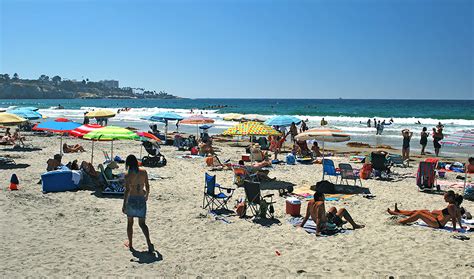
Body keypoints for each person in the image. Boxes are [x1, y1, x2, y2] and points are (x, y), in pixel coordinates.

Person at [122, 155, 154, 253]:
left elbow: (127, 190)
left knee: (130, 223)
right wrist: (147, 196)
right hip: (141, 199)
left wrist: (124, 204)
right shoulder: (143, 172)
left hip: (131, 199)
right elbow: (147, 186)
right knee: (142, 224)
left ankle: (131, 244)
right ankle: (149, 243)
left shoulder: (127, 174)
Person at [387, 191, 464, 231]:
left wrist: (454, 229)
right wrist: (460, 226)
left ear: (450, 197)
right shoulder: (455, 205)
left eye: (445, 198)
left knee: (419, 214)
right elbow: (459, 216)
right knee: (421, 212)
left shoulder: (451, 206)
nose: (444, 199)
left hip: (437, 224)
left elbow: (454, 218)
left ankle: (402, 222)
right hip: (437, 221)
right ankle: (397, 213)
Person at [299, 191, 365, 236]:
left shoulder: (310, 202)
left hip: (324, 220)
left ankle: (340, 221)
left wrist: (301, 225)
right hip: (326, 225)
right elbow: (318, 218)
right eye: (323, 196)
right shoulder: (321, 204)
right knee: (343, 210)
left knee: (333, 208)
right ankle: (354, 225)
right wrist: (317, 232)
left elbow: (307, 216)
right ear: (320, 198)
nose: (324, 198)